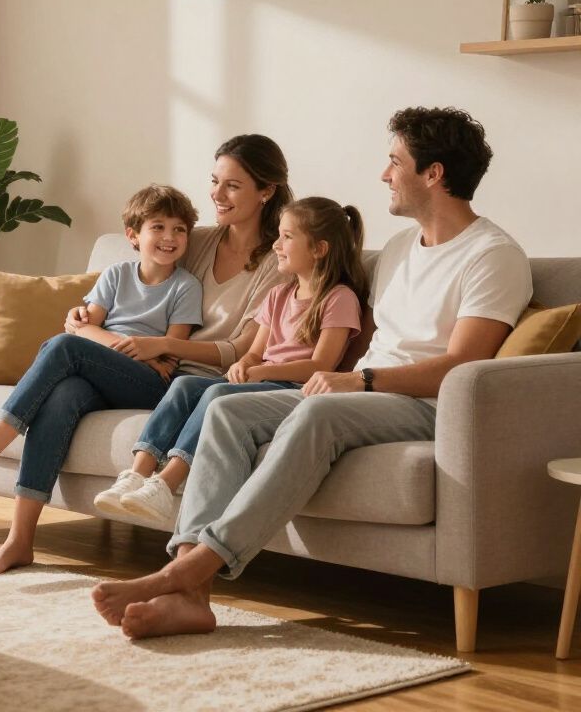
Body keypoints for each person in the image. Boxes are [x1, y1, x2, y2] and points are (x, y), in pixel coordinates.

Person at [91, 106, 533, 639]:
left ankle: (187, 570)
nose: (384, 174)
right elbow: (350, 331)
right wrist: (327, 371)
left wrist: (360, 381)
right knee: (225, 410)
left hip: (424, 405)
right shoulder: (397, 250)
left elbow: (463, 367)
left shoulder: (492, 255)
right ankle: (191, 599)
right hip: (365, 394)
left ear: (433, 173)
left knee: (319, 414)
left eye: (395, 162)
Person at [0, 135, 291, 576]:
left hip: (184, 385)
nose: (217, 194)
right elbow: (140, 276)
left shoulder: (278, 260)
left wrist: (163, 345)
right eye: (215, 182)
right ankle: (19, 539)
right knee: (63, 397)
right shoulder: (201, 241)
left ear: (266, 191)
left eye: (233, 186)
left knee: (63, 349)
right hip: (137, 367)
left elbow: (242, 350)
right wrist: (84, 318)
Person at [96, 196, 367, 527]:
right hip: (261, 379)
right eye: (278, 235)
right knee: (184, 385)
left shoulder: (339, 298)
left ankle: (166, 485)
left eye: (287, 238)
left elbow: (321, 365)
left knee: (214, 396)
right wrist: (245, 364)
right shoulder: (280, 294)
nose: (277, 245)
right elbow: (255, 350)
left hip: (295, 387)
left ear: (319, 249)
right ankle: (136, 476)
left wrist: (262, 370)